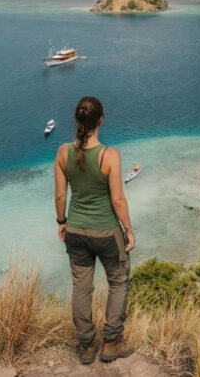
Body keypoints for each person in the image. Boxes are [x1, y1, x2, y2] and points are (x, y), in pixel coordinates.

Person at [54, 96, 136, 365]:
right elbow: (118, 199)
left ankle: (87, 346)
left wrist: (62, 222)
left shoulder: (62, 152)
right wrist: (129, 230)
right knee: (118, 281)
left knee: (81, 287)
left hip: (76, 232)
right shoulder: (109, 155)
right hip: (106, 233)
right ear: (101, 120)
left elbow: (60, 195)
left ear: (77, 120)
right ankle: (111, 342)